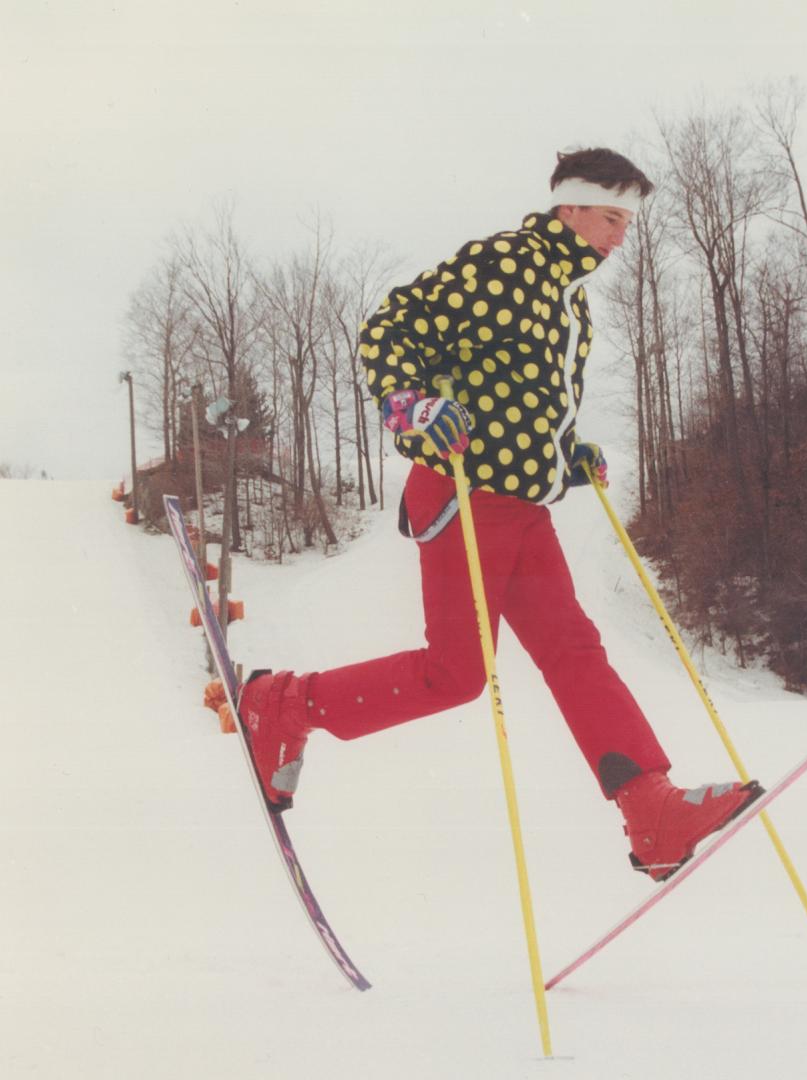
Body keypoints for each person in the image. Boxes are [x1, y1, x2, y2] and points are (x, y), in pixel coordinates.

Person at [236, 148, 761, 882]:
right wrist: (411, 405)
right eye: (611, 218)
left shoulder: (569, 300)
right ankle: (279, 705)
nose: (619, 236)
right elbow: (389, 329)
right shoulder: (502, 265)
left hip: (522, 505)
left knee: (575, 651)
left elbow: (523, 401)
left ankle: (653, 811)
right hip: (462, 492)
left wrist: (566, 453)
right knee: (455, 675)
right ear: (570, 207)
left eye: (627, 223)